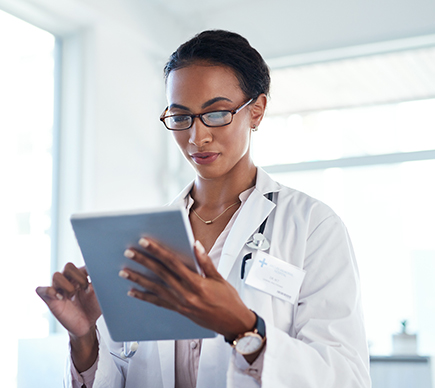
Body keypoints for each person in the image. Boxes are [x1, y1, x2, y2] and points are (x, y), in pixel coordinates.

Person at [36, 30, 371, 388]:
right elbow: (121, 371)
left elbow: (346, 377)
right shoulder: (144, 236)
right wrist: (84, 339)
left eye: (215, 114)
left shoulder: (312, 226)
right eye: (181, 117)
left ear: (256, 111)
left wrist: (244, 327)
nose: (197, 137)